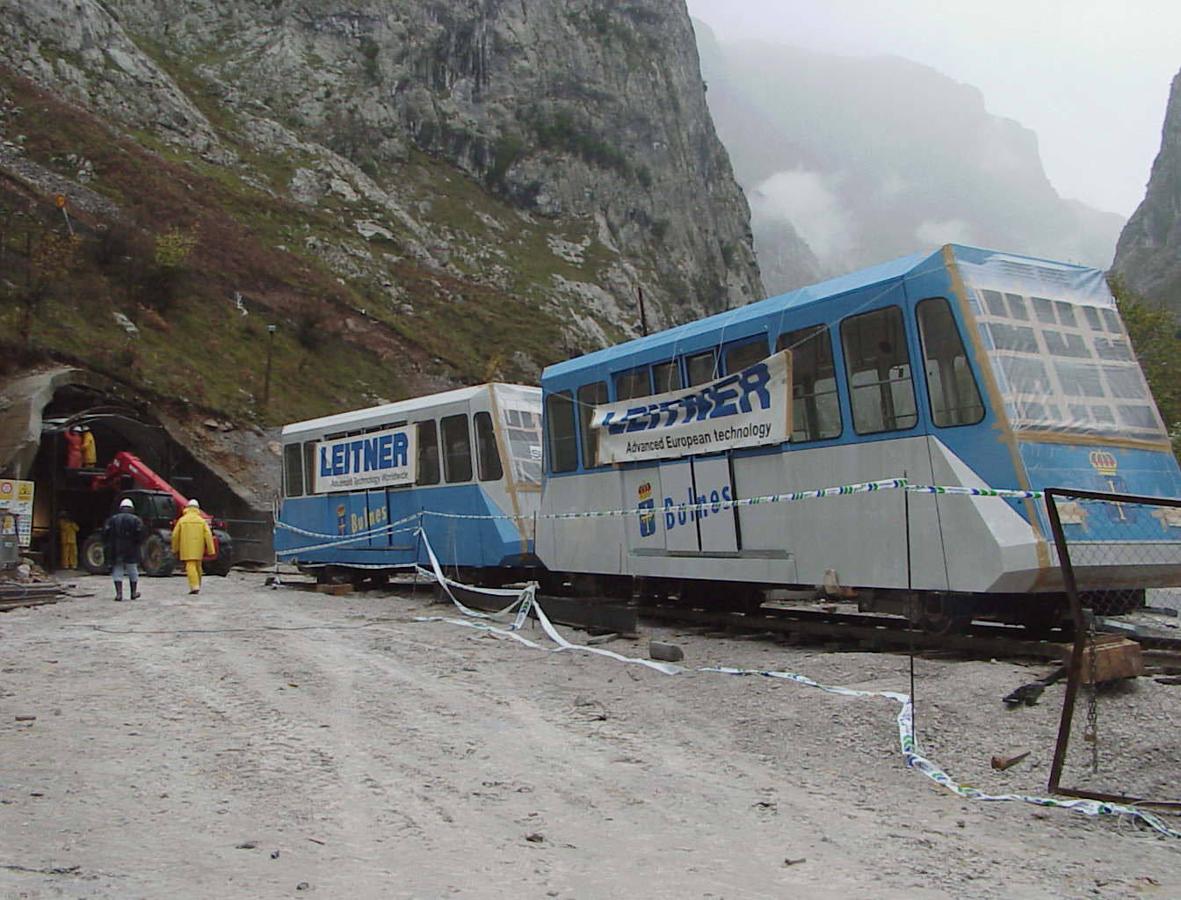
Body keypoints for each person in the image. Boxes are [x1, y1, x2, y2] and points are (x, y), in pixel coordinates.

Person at [103, 497, 144, 602]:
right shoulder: (136, 520)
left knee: (117, 569)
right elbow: (140, 535)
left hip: (116, 548)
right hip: (131, 549)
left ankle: (119, 594)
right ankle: (133, 593)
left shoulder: (112, 519)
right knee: (132, 570)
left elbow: (106, 534)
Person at [171, 498, 214, 595]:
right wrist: (211, 550)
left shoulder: (182, 520)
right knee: (198, 566)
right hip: (199, 548)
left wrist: (175, 548)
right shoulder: (201, 521)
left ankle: (194, 586)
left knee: (190, 566)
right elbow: (208, 535)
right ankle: (198, 584)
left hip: (186, 548)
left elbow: (175, 535)